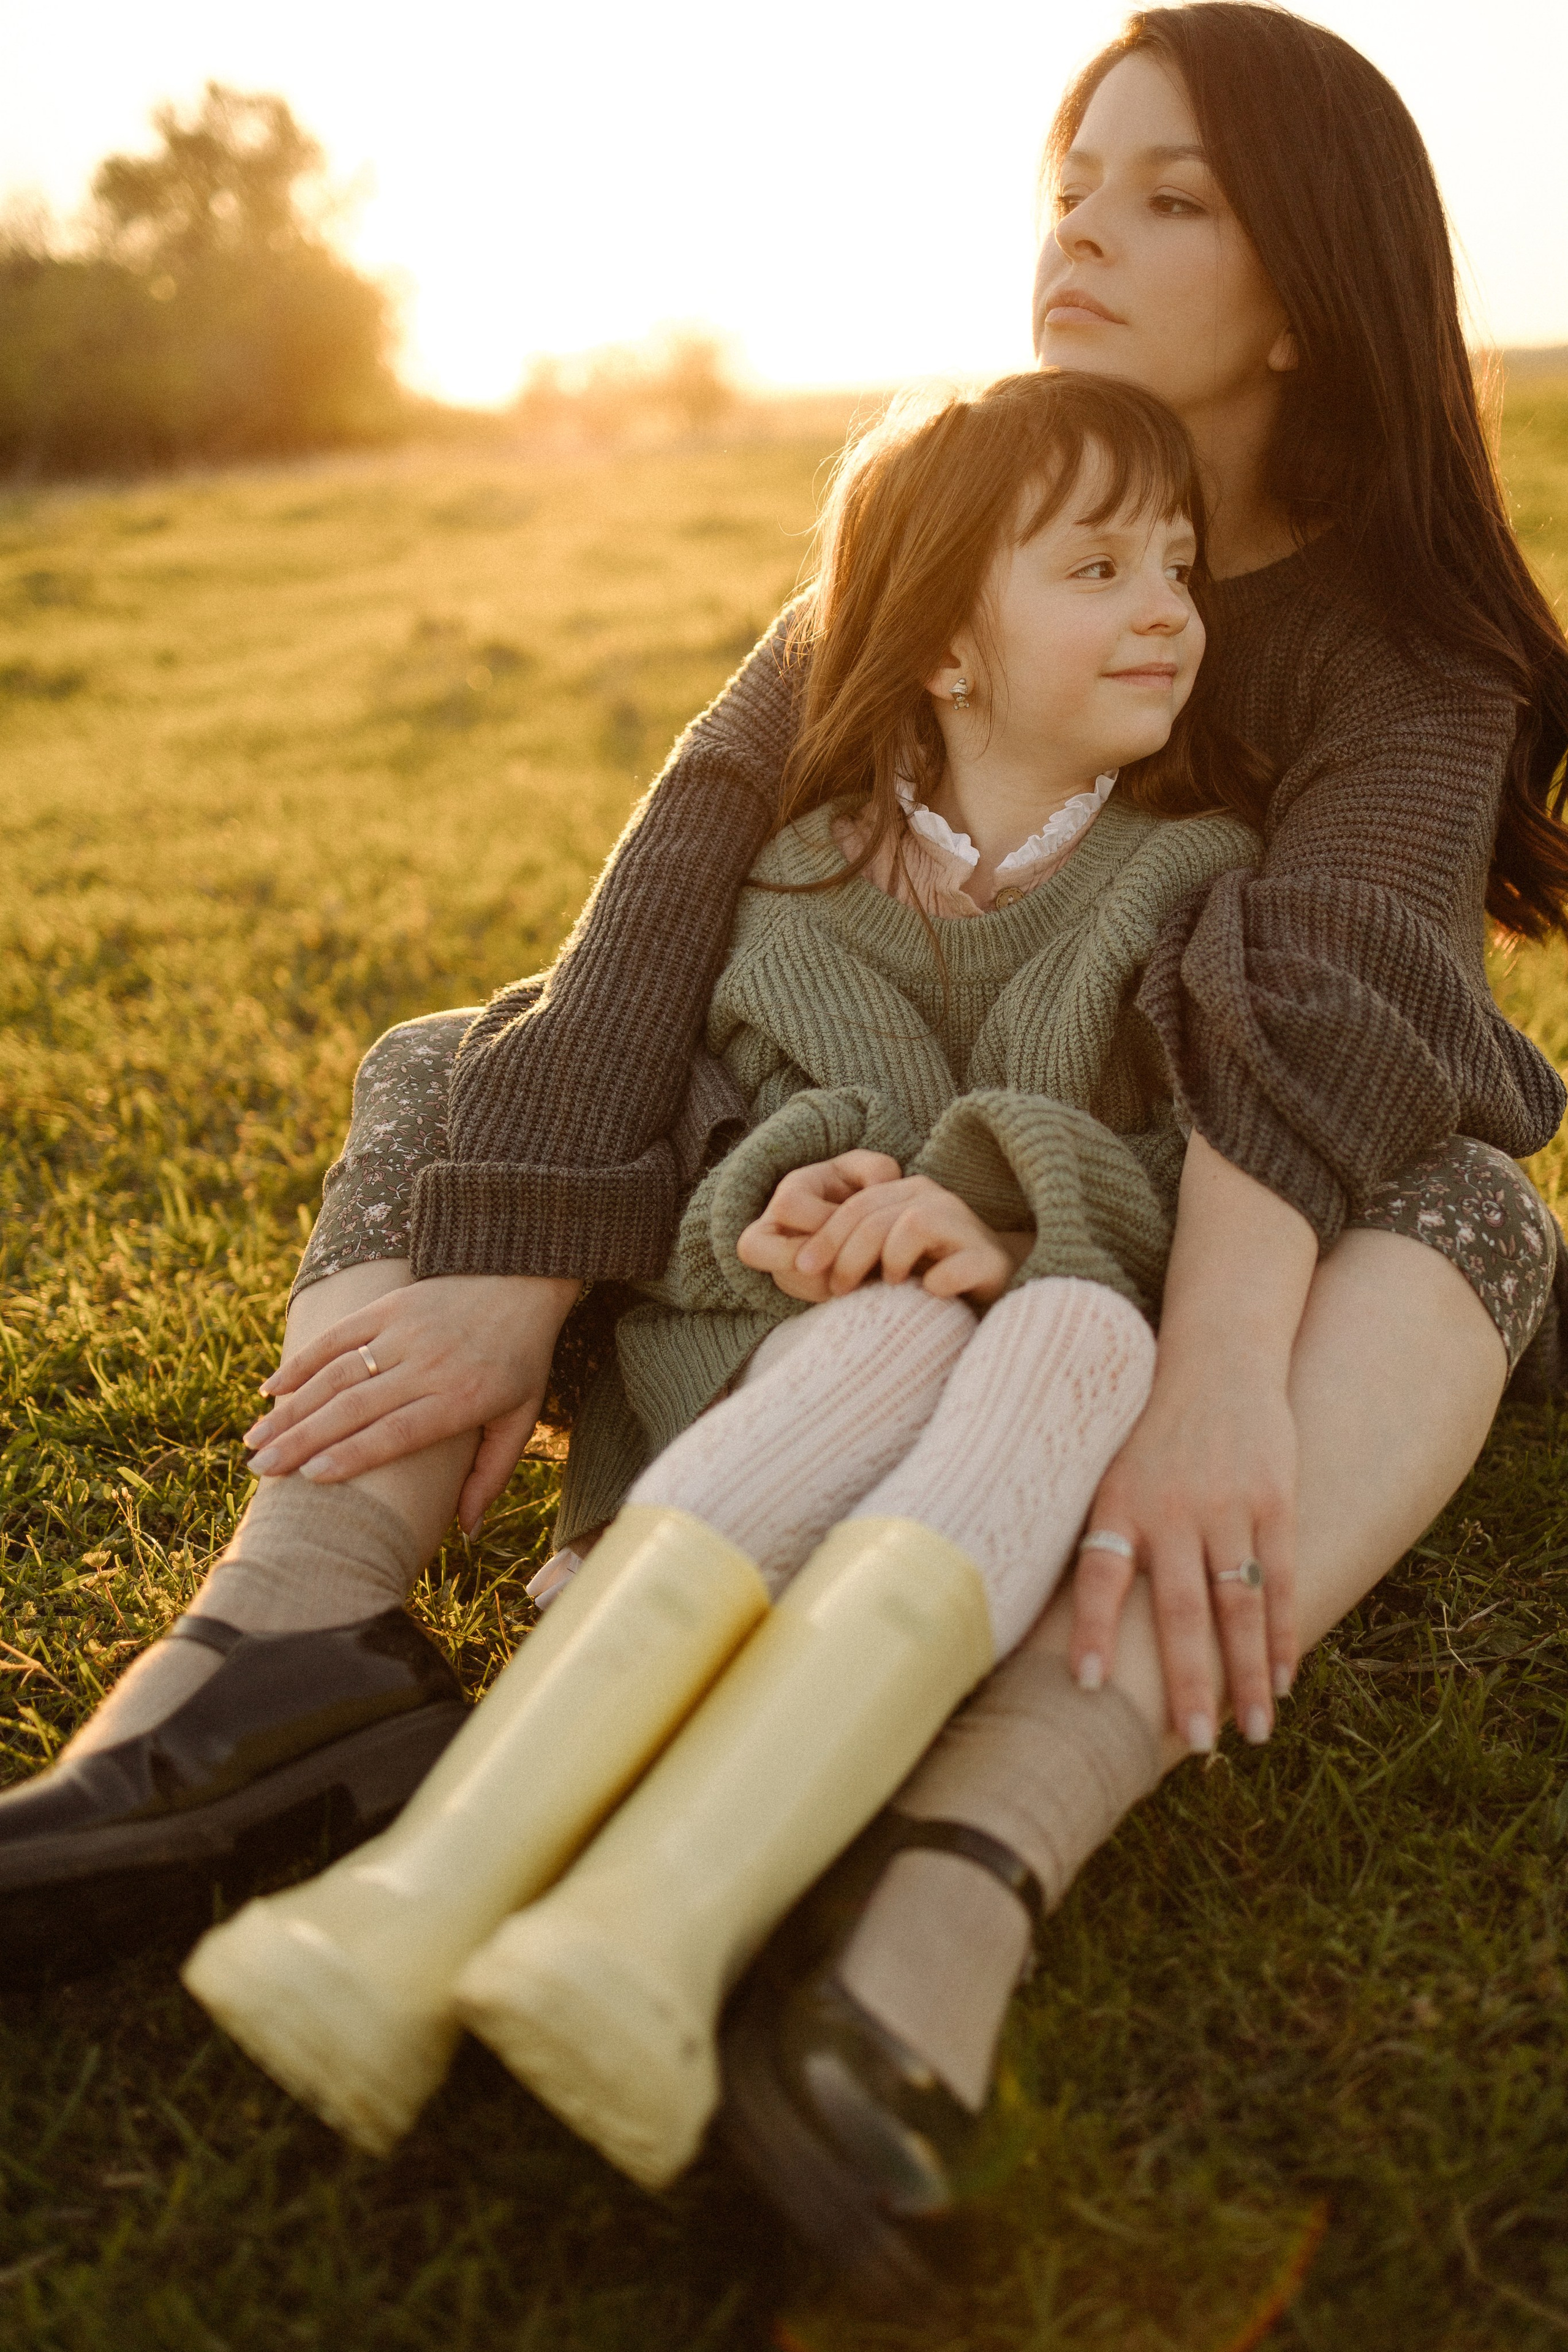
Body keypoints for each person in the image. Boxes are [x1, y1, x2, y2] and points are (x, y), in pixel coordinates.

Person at [1, 0, 1564, 2297]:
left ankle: (958, 1869)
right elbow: (686, 861)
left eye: (1167, 196)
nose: (1080, 235)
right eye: (1067, 182)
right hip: (830, 1214)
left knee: (1470, 1204)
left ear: (1313, 283)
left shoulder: (1403, 648)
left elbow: (1322, 1017)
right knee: (472, 1057)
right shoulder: (951, 511)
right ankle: (281, 1666)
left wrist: (1221, 1376)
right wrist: (516, 1256)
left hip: (1161, 1237)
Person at [180, 365, 1265, 2186]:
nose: (1167, 606)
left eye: (1181, 565)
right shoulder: (786, 885)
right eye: (1096, 568)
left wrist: (1016, 1213)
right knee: (904, 1313)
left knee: (1066, 1314)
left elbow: (1200, 1176)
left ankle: (646, 1939)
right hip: (746, 1455)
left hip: (973, 1498)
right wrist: (776, 1203)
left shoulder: (1194, 878)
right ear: (943, 649)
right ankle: (408, 1908)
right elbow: (698, 1156)